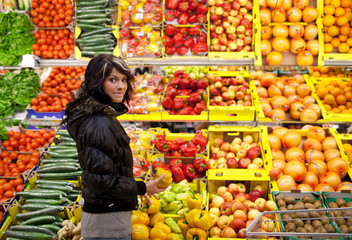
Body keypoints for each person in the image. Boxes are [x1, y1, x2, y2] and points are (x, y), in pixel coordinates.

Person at [61, 54, 165, 240]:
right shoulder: (99, 123)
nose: (121, 86)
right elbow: (101, 183)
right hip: (108, 223)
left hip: (106, 217)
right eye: (112, 80)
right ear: (97, 82)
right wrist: (141, 187)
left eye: (124, 79)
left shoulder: (98, 117)